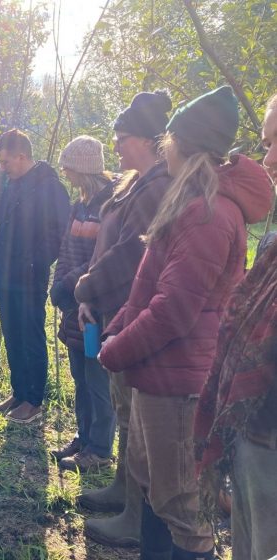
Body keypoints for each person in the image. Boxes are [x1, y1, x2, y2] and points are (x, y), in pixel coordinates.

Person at [98, 86, 273, 560]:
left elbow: (173, 310)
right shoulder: (190, 202)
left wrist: (115, 348)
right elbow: (149, 285)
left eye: (169, 139)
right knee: (159, 490)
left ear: (184, 146)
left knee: (182, 508)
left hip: (179, 383)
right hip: (160, 374)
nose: (163, 147)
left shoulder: (207, 215)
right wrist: (119, 324)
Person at [73, 90, 173, 547]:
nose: (114, 145)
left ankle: (137, 513)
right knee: (122, 406)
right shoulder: (133, 183)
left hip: (132, 312)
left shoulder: (159, 186)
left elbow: (133, 251)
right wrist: (89, 295)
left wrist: (88, 285)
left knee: (135, 417)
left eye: (122, 136)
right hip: (109, 308)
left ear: (152, 139)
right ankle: (121, 487)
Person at [194, 93, 277, 560]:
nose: (270, 159)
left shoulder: (212, 215)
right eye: (268, 143)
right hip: (254, 437)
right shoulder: (273, 242)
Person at [0, 128, 70, 424]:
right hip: (5, 275)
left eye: (5, 162)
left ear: (22, 156)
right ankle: (19, 392)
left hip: (30, 277)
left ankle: (34, 401)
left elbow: (60, 234)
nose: (2, 168)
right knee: (12, 334)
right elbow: (2, 229)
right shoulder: (12, 186)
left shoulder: (50, 188)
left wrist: (34, 263)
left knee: (30, 335)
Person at [48, 136, 116, 471]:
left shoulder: (111, 204)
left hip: (96, 305)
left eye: (68, 166)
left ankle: (100, 450)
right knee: (79, 374)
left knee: (96, 377)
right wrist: (60, 285)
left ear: (84, 167)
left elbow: (101, 258)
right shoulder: (80, 204)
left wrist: (68, 283)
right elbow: (66, 249)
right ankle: (83, 437)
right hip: (73, 303)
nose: (64, 172)